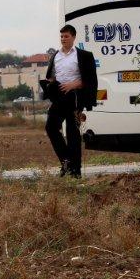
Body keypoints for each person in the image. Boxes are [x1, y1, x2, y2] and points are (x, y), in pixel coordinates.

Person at [41, 25, 98, 177]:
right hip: (59, 98)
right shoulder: (56, 56)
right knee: (51, 128)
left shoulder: (83, 55)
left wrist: (74, 84)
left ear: (73, 37)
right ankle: (66, 161)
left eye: (66, 36)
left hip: (74, 98)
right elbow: (52, 75)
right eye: (61, 37)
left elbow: (90, 79)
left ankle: (76, 171)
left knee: (73, 134)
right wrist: (50, 83)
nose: (63, 39)